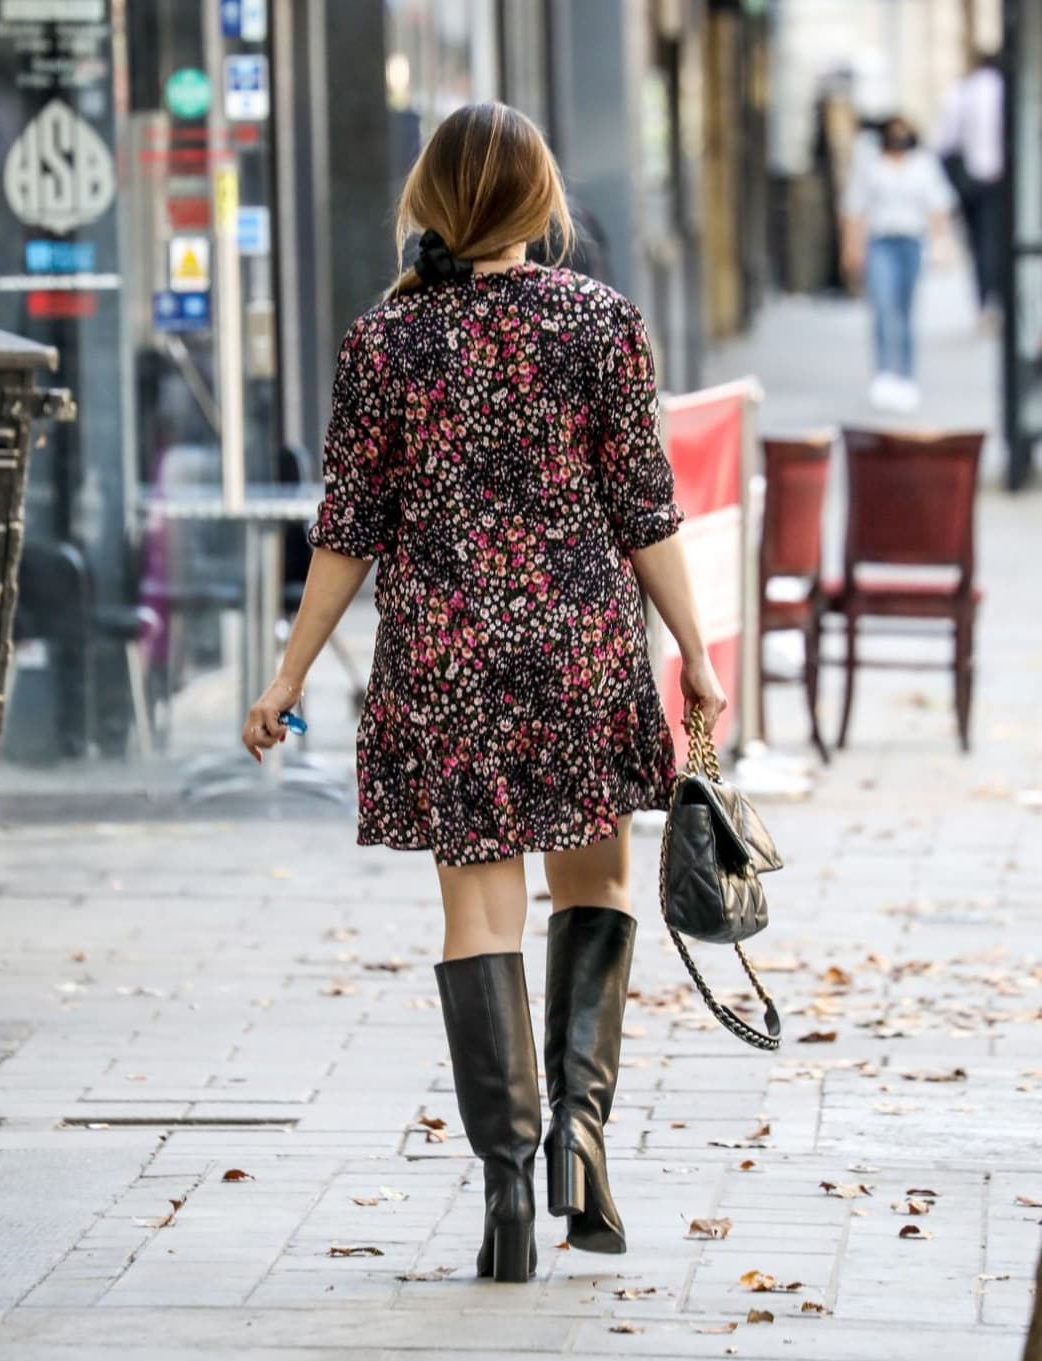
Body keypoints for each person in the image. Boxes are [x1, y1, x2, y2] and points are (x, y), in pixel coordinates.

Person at [240, 103, 726, 1283]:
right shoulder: (603, 323)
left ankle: (508, 1186)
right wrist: (697, 653)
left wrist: (288, 670)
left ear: (432, 203)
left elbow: (346, 533)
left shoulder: (384, 343)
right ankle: (581, 1138)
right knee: (597, 886)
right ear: (540, 205)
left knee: (479, 921)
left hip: (445, 662)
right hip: (575, 652)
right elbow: (646, 512)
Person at [840, 115, 955, 412]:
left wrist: (940, 242)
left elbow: (937, 206)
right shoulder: (872, 165)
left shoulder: (923, 165)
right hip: (881, 242)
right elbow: (855, 208)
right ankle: (883, 375)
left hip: (911, 242)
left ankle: (905, 376)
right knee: (882, 307)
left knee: (904, 312)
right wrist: (851, 247)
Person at [933, 51, 1005, 326]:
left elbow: (943, 141)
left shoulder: (961, 91)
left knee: (979, 241)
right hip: (999, 181)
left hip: (968, 180)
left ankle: (985, 300)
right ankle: (996, 299)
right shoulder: (1002, 88)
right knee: (996, 240)